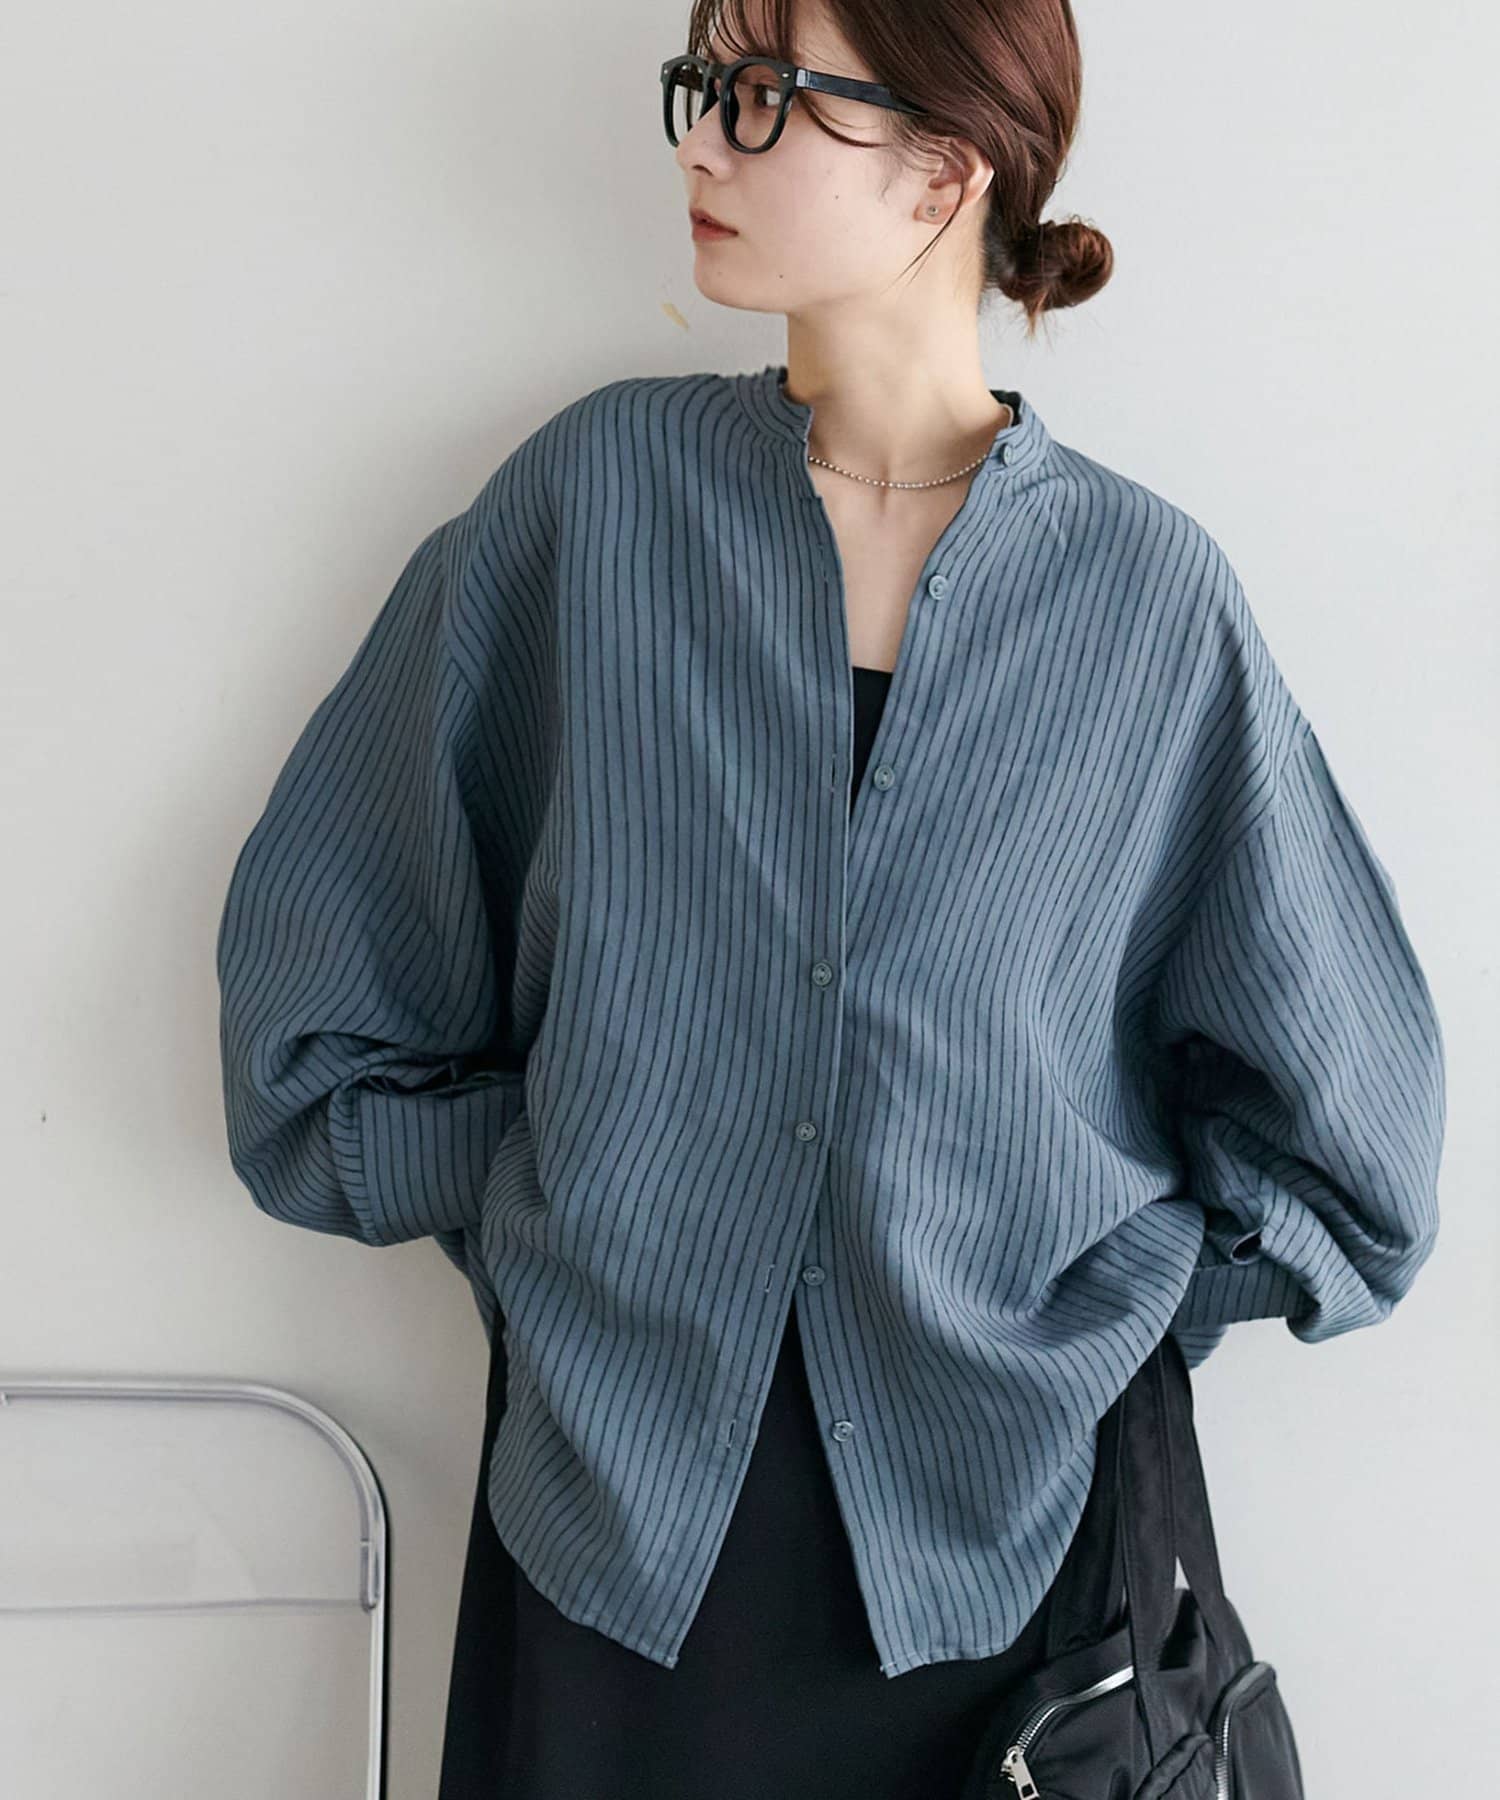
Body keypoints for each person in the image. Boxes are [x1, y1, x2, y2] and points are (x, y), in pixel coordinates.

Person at [214, 2, 1445, 1796]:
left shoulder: (1146, 606)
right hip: (616, 1559)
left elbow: (1358, 1164)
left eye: (762, 97)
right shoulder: (590, 513)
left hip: (1014, 1591)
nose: (698, 143)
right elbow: (314, 1025)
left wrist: (1101, 1278)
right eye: (701, 89)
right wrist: (568, 1181)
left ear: (947, 169)